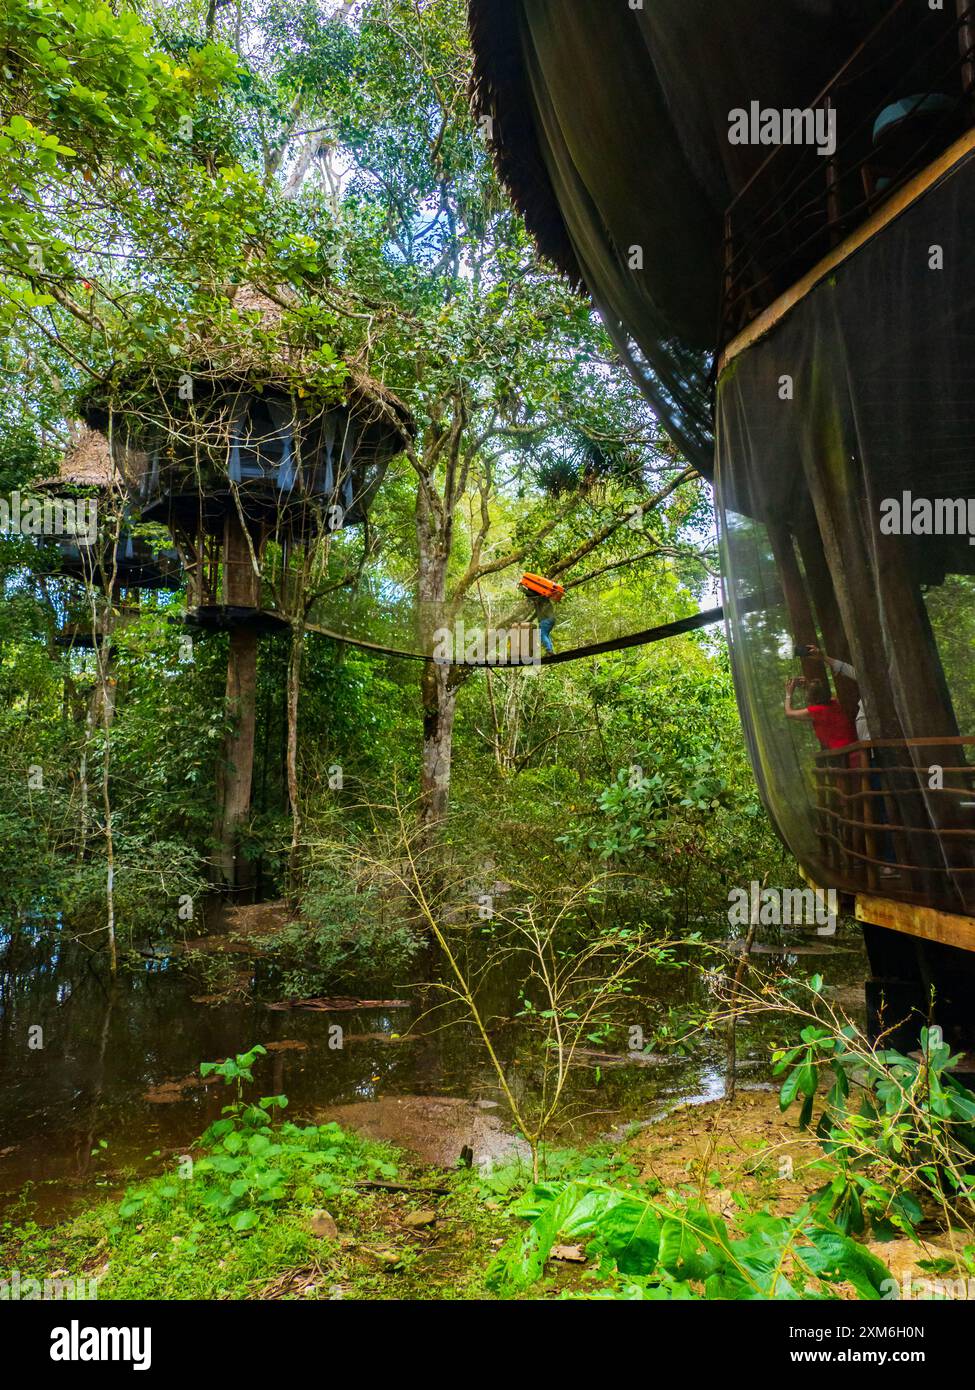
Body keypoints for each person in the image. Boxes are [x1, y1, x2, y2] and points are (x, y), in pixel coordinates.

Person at [785, 675, 857, 750]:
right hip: (853, 746)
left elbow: (789, 713)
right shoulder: (835, 703)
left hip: (843, 752)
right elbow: (820, 694)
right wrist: (808, 686)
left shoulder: (817, 711)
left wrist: (788, 694)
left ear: (812, 696)